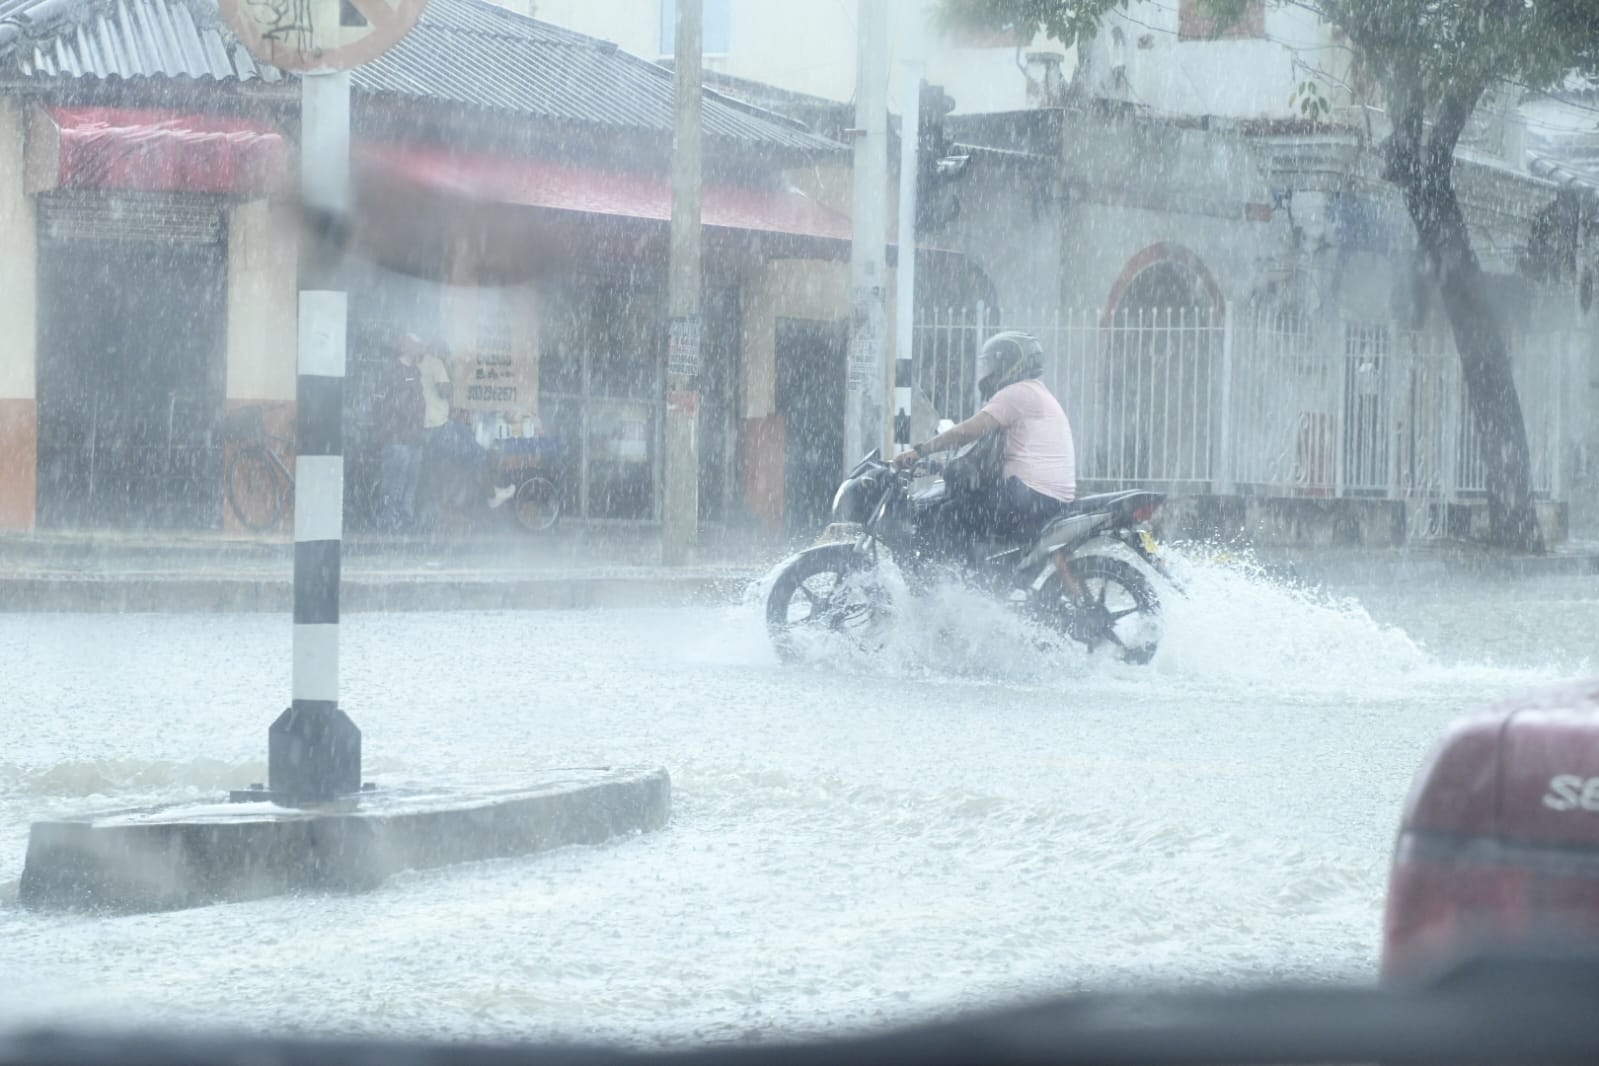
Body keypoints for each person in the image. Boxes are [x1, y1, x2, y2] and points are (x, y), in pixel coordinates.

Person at [892, 330, 1076, 542]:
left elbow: (965, 433)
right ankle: (975, 567)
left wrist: (919, 451)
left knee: (946, 513)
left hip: (1031, 495)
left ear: (1010, 364)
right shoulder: (1035, 392)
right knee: (961, 504)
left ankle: (958, 574)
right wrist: (940, 464)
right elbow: (985, 453)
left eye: (994, 366)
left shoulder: (1016, 393)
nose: (990, 374)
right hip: (1044, 497)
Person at [374, 336, 427, 530]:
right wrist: (393, 428)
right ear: (406, 348)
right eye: (416, 347)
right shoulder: (391, 371)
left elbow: (417, 405)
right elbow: (384, 404)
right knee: (395, 477)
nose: (419, 351)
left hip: (413, 437)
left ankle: (405, 519)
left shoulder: (416, 372)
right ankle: (389, 517)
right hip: (395, 437)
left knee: (412, 478)